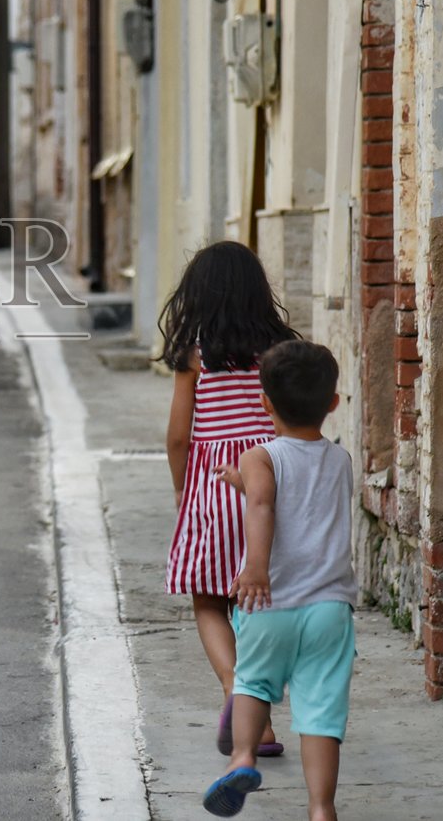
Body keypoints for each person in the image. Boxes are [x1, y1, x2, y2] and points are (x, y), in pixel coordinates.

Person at [202, 340, 357, 819]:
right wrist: (245, 481)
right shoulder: (341, 460)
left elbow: (264, 503)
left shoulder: (260, 456)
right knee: (321, 712)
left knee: (252, 682)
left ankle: (242, 757)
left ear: (265, 403)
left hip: (271, 602)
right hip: (329, 608)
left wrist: (255, 567)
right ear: (333, 403)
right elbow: (302, 495)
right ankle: (321, 808)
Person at [158, 241, 299, 757]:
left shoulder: (195, 355)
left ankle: (233, 685)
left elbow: (179, 436)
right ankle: (260, 721)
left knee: (208, 597)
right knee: (260, 599)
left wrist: (182, 486)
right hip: (270, 477)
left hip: (215, 483)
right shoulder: (279, 350)